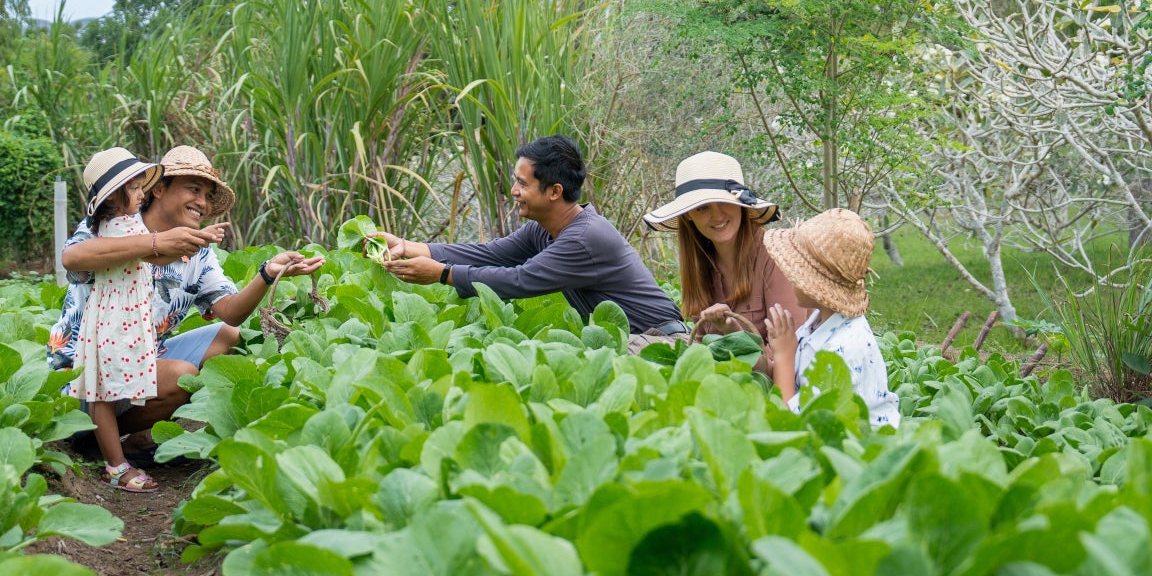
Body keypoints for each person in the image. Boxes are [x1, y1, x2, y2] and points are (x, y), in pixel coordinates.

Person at [49, 145, 324, 443]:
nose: (202, 203)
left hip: (140, 360)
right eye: (193, 189)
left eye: (207, 196)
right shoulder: (117, 221)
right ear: (158, 190)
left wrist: (268, 273)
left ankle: (138, 433)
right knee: (182, 375)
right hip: (84, 374)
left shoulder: (198, 253)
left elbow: (231, 311)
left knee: (227, 334)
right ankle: (97, 441)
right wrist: (156, 243)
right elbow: (72, 257)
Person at [377, 134, 687, 345]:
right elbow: (489, 254)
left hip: (659, 340)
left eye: (522, 183)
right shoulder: (544, 228)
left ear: (554, 191)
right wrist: (408, 246)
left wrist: (442, 274)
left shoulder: (585, 237)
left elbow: (520, 280)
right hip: (628, 338)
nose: (513, 191)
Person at [68, 148, 165, 492]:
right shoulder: (116, 228)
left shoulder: (130, 224)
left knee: (107, 391)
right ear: (115, 194)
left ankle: (118, 457)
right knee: (103, 394)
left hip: (122, 318)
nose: (142, 194)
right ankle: (115, 465)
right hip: (112, 319)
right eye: (136, 188)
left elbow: (151, 249)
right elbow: (149, 248)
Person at [642, 151, 808, 340]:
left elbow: (792, 353)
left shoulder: (776, 256)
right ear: (688, 215)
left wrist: (734, 333)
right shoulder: (700, 266)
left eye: (723, 202)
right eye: (702, 208)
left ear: (741, 204)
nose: (717, 215)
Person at [760, 208, 899, 429]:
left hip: (861, 452)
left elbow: (791, 423)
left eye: (797, 271)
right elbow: (796, 378)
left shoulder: (840, 350)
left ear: (817, 286)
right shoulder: (822, 318)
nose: (788, 276)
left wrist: (784, 353)